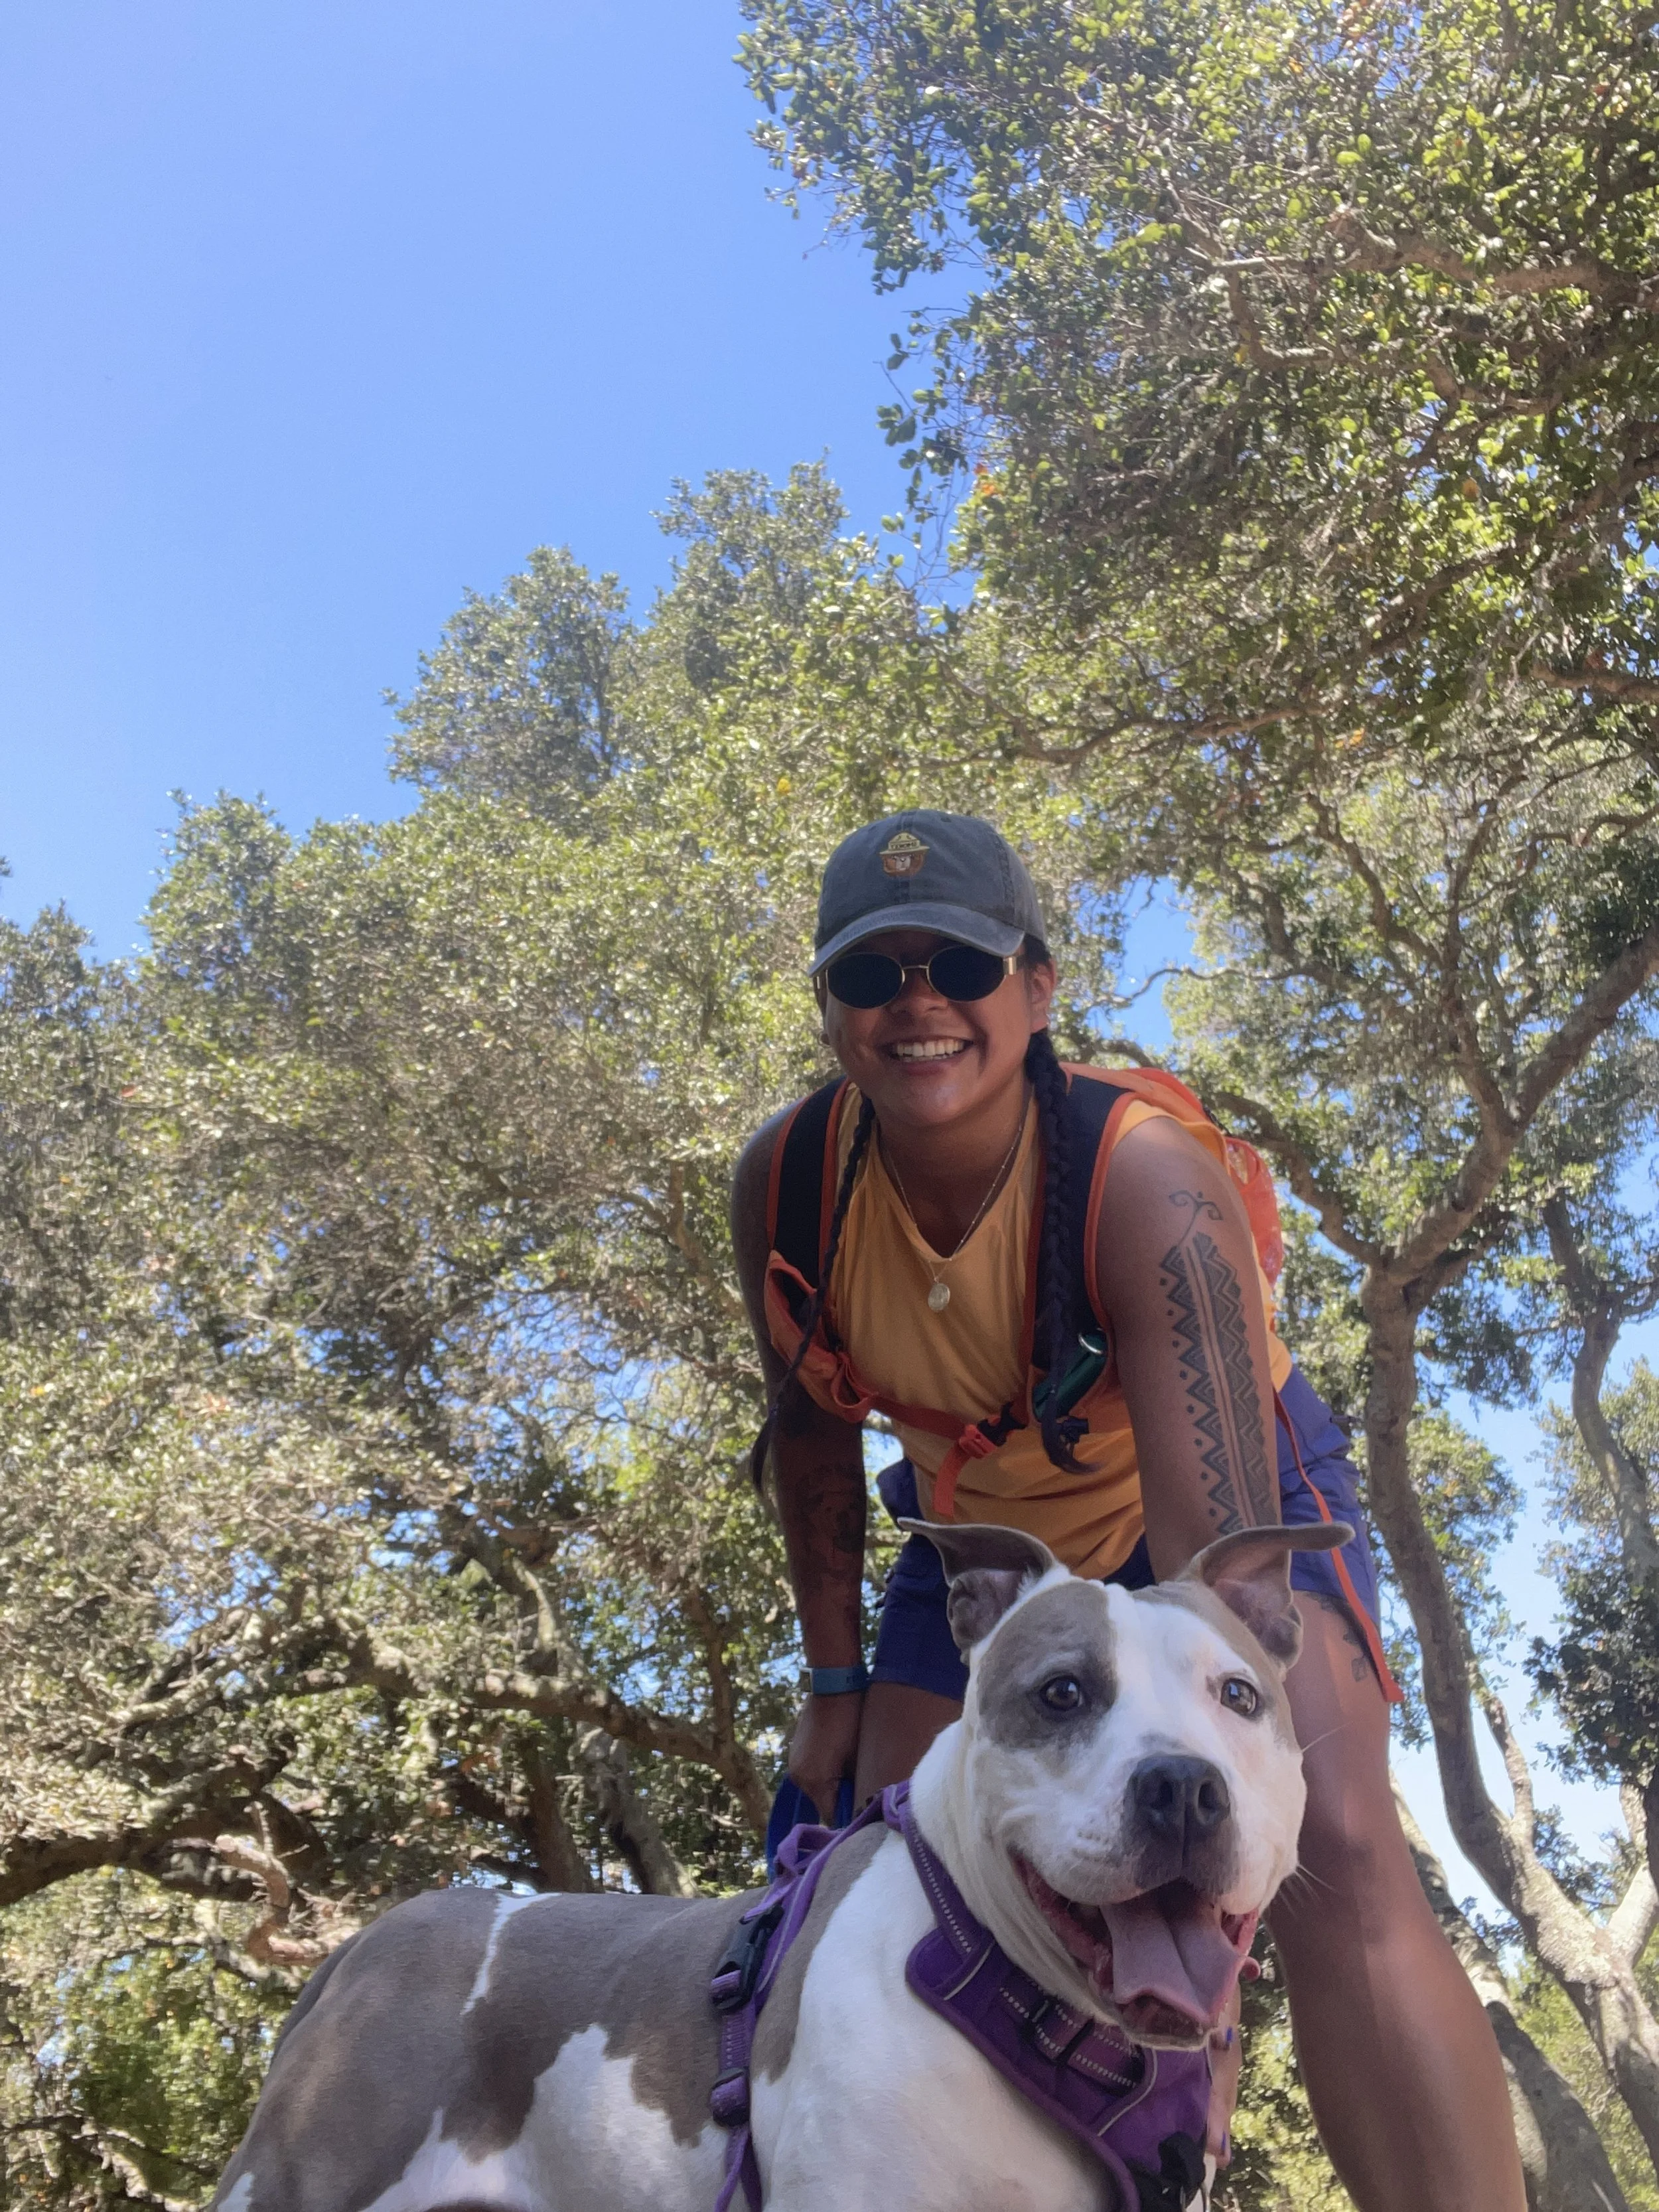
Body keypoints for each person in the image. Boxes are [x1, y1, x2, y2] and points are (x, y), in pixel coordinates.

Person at [731, 811, 1524, 2212]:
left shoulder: (1142, 1175)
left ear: (1035, 988)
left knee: (1329, 1842)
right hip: (984, 1519)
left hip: (1216, 1494)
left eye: (957, 965)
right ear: (830, 1011)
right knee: (886, 1857)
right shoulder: (787, 1185)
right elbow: (811, 1439)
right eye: (870, 975)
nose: (916, 1002)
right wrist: (834, 1683)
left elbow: (1210, 1593)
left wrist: (1202, 1881)